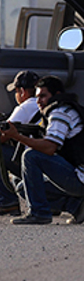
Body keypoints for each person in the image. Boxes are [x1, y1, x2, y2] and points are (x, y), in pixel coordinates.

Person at [1, 75, 84, 225]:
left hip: (81, 178)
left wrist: (16, 136)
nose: (38, 101)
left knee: (31, 156)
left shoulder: (60, 112)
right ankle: (75, 206)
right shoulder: (68, 108)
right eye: (37, 96)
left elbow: (49, 148)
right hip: (83, 176)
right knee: (23, 188)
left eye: (43, 96)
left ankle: (39, 213)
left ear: (57, 95)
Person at [0, 70, 40, 215]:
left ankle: (6, 200)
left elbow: (3, 135)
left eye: (15, 91)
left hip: (34, 161)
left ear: (22, 91)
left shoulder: (27, 106)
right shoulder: (44, 103)